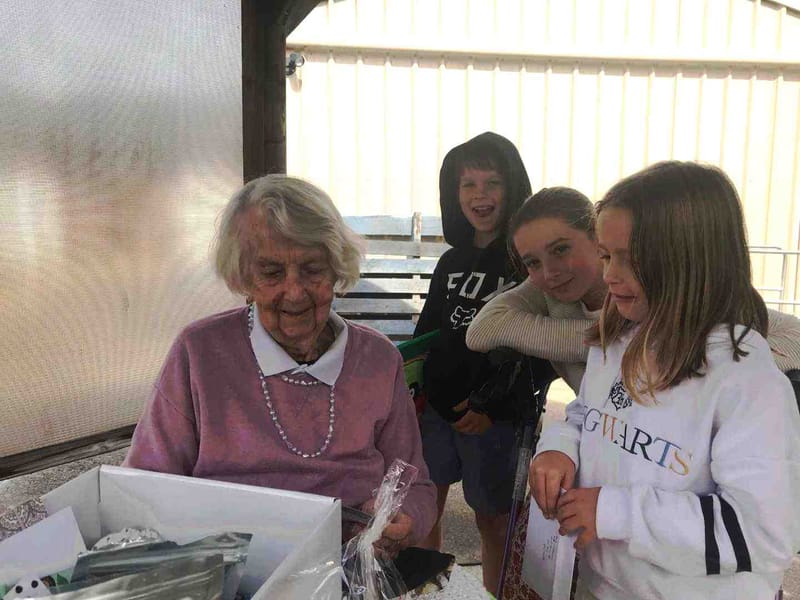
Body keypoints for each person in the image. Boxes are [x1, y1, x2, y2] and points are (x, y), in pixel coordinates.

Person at [466, 185, 800, 599]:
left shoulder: (746, 380)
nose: (609, 276)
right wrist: (558, 447)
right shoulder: (615, 343)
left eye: (629, 258)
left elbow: (762, 535)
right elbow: (586, 413)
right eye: (607, 256)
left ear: (692, 258)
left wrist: (612, 512)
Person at [124, 174, 436, 554]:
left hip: (350, 565)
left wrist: (407, 521)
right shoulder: (199, 353)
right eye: (272, 272)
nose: (294, 291)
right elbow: (145, 484)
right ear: (242, 277)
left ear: (336, 269)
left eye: (312, 269)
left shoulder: (378, 359)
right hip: (231, 566)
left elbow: (415, 486)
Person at [414, 131, 534, 593]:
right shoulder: (450, 262)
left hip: (494, 421)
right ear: (453, 194)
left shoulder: (525, 260)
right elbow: (426, 332)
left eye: (492, 183)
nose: (480, 196)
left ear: (512, 189)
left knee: (493, 522)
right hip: (436, 414)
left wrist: (489, 405)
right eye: (468, 185)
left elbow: (535, 351)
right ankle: (425, 590)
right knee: (424, 509)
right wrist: (409, 393)